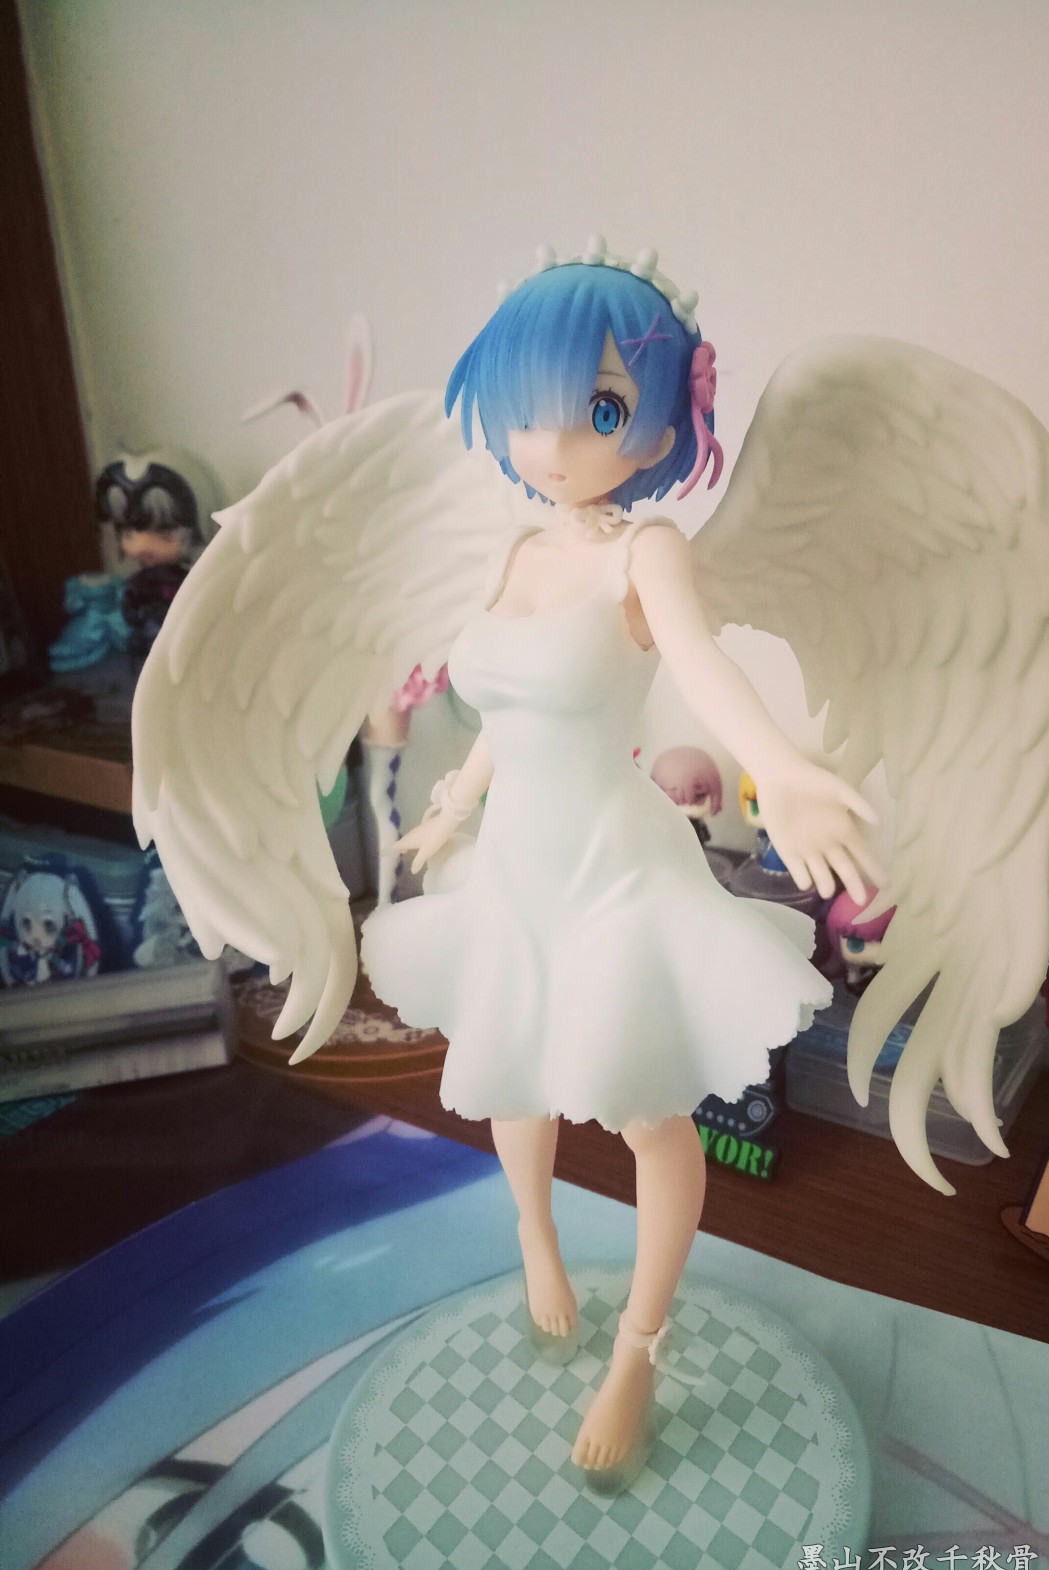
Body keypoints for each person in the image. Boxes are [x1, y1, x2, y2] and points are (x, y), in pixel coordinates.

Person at [359, 245, 877, 1482]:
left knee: (649, 1113)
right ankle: (535, 1237)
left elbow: (704, 666)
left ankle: (639, 1347)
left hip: (613, 871)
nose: (555, 442)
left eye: (598, 410)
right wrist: (452, 803)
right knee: (514, 1074)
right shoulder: (512, 556)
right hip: (514, 866)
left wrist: (777, 765)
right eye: (532, 405)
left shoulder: (646, 553)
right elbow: (506, 709)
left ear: (657, 420)